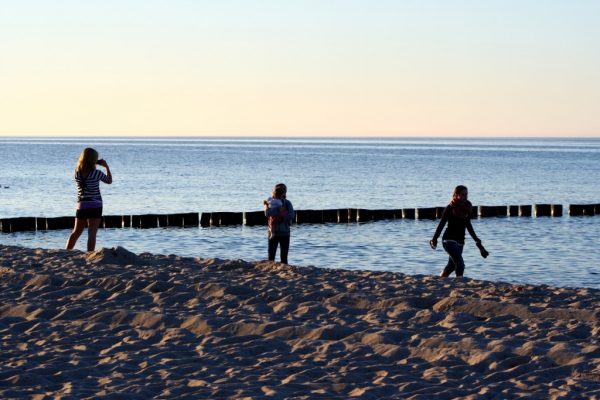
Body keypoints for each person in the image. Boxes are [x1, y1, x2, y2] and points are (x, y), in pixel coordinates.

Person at [430, 185, 489, 277]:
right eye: (462, 194)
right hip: (448, 240)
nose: (465, 196)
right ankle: (459, 283)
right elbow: (441, 224)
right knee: (460, 264)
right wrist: (435, 238)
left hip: (460, 241)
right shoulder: (450, 208)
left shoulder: (467, 208)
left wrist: (476, 240)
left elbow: (468, 226)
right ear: (456, 195)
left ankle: (440, 279)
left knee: (451, 266)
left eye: (466, 194)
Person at [66, 148, 112, 252]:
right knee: (92, 233)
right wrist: (106, 167)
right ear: (94, 160)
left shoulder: (77, 172)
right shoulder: (97, 173)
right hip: (95, 205)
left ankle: (66, 252)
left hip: (82, 204)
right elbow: (109, 181)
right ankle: (89, 254)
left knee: (76, 232)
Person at [264, 183, 294, 264]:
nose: (281, 192)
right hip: (273, 232)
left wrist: (282, 216)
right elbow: (267, 213)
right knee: (271, 257)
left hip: (285, 233)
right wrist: (279, 211)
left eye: (283, 190)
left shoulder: (287, 203)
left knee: (284, 258)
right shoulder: (271, 202)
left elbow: (291, 215)